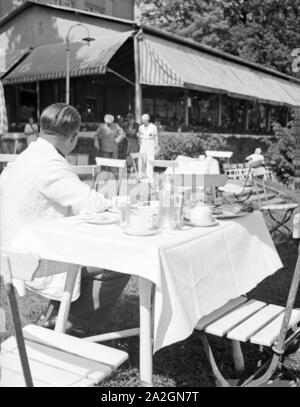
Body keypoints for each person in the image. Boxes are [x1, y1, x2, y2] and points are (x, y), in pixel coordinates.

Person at [1, 103, 130, 331]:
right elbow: (90, 203)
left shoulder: (27, 156)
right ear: (74, 137)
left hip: (10, 249)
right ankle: (72, 324)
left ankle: (62, 313)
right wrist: (118, 205)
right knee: (120, 262)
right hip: (30, 258)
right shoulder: (50, 164)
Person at [138, 113, 159, 178]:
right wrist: (140, 143)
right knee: (141, 159)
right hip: (143, 144)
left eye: (144, 120)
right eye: (142, 120)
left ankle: (149, 174)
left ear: (148, 120)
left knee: (150, 159)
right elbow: (139, 136)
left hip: (151, 144)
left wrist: (156, 145)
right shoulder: (140, 127)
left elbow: (156, 136)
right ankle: (141, 174)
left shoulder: (153, 127)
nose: (143, 121)